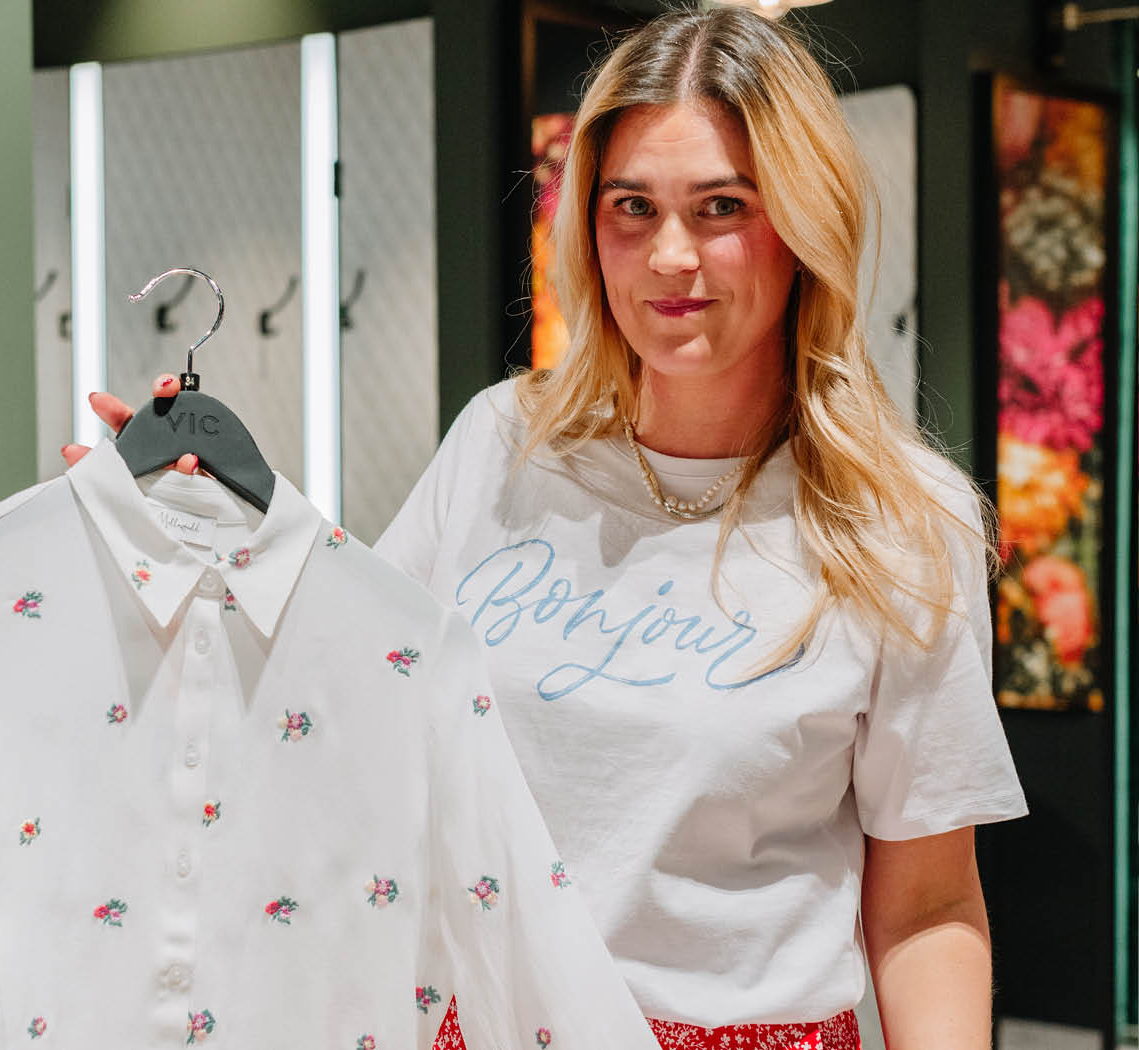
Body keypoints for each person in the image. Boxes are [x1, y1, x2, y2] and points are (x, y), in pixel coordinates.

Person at [66, 8, 1025, 1048]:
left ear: (801, 225)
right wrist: (200, 546)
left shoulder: (896, 522)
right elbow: (339, 701)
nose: (670, 255)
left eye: (721, 207)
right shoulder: (504, 444)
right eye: (631, 207)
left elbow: (928, 908)